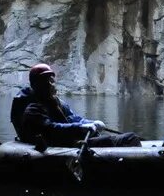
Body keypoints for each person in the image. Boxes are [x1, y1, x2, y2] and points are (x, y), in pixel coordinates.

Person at [9, 63, 140, 148]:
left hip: (71, 140)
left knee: (128, 138)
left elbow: (72, 118)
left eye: (52, 81)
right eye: (48, 81)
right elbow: (51, 129)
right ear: (37, 84)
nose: (52, 84)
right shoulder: (32, 109)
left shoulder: (55, 102)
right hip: (63, 145)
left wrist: (90, 123)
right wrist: (81, 128)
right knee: (129, 139)